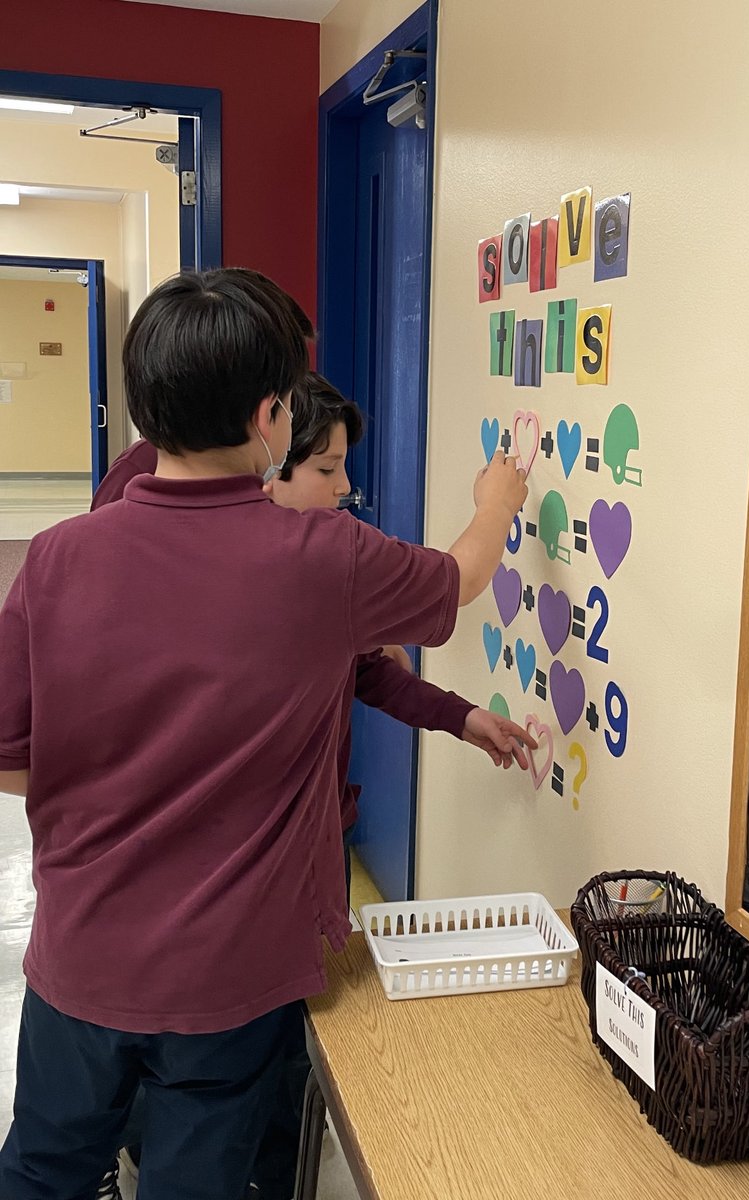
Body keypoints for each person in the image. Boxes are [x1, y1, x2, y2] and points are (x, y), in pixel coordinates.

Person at [0, 267, 528, 1200]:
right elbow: (460, 575)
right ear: (269, 418)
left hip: (79, 959)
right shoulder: (322, 560)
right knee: (199, 1179)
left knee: (43, 1165)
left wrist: (116, 784)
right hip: (228, 978)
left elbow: (9, 758)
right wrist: (497, 500)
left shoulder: (56, 557)